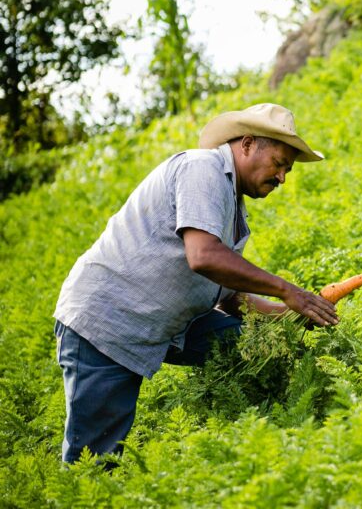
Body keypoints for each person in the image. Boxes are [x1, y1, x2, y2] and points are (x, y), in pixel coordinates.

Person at [53, 103, 339, 464]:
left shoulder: (231, 200)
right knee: (94, 463)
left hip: (167, 321)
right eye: (279, 164)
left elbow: (227, 293)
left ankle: (269, 438)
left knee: (259, 347)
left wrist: (285, 316)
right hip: (108, 321)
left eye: (288, 170)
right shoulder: (202, 169)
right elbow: (204, 256)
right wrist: (288, 290)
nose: (283, 177)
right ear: (248, 144)